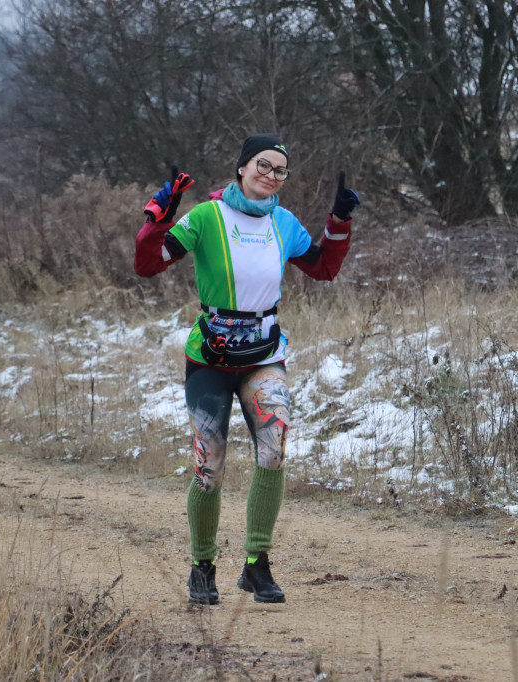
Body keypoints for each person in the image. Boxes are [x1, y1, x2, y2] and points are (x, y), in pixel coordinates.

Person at [133, 133, 360, 604]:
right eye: (263, 164)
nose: (271, 174)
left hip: (264, 354)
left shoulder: (284, 221)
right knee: (209, 467)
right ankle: (202, 567)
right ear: (241, 168)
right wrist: (160, 217)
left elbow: (321, 268)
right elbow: (149, 264)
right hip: (209, 359)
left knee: (273, 450)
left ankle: (257, 565)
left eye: (280, 169)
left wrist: (339, 220)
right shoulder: (207, 216)